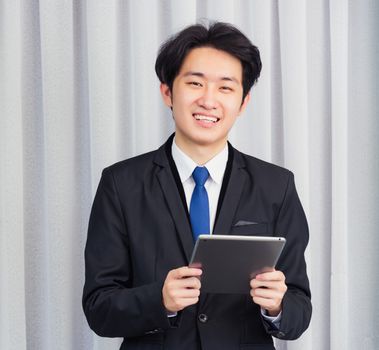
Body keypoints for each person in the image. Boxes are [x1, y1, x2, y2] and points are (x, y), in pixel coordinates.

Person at [82, 22, 312, 350]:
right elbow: (98, 308)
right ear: (167, 93)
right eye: (194, 83)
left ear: (243, 102)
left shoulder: (276, 186)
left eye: (225, 88)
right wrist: (158, 300)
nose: (208, 100)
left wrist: (276, 306)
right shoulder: (121, 184)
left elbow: (300, 310)